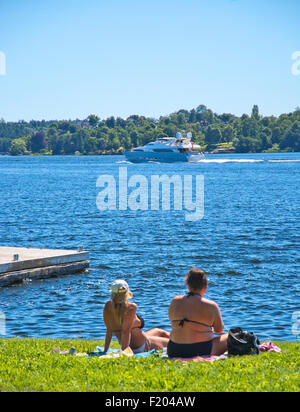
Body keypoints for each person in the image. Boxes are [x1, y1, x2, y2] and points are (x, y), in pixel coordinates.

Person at [168, 268, 228, 358]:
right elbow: (219, 330)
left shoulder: (174, 301)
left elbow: (171, 321)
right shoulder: (211, 305)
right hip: (200, 350)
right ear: (205, 286)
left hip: (174, 349)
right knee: (230, 337)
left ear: (188, 285)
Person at [103, 279, 170, 354]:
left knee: (159, 331)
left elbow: (109, 330)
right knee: (175, 343)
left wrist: (105, 350)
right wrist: (124, 352)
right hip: (143, 346)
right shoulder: (131, 307)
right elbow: (126, 332)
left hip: (137, 342)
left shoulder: (108, 306)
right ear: (127, 292)